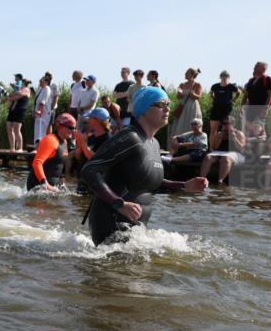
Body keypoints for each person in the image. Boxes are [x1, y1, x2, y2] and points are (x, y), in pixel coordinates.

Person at [80, 88, 207, 245]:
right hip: (111, 222)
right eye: (162, 104)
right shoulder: (129, 137)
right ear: (144, 109)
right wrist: (119, 203)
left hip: (135, 229)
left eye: (169, 104)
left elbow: (149, 182)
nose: (167, 109)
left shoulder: (155, 144)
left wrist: (184, 186)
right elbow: (89, 170)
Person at [27, 113, 77, 192]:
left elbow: (59, 164)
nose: (73, 131)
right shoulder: (50, 140)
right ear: (60, 126)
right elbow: (37, 163)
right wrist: (45, 184)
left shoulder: (64, 141)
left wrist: (62, 178)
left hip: (53, 187)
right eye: (71, 128)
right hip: (38, 187)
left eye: (75, 128)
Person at [198, 116, 247, 185]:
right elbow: (214, 148)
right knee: (208, 157)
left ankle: (220, 181)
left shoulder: (239, 133)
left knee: (225, 158)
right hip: (220, 152)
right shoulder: (219, 134)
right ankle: (201, 179)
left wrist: (234, 138)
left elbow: (242, 148)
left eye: (227, 123)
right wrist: (220, 138)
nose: (225, 125)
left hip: (236, 154)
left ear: (233, 124)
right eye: (223, 123)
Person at [169, 67, 203, 140]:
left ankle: (192, 141)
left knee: (192, 124)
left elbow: (198, 97)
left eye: (187, 73)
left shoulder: (197, 85)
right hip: (183, 106)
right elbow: (178, 96)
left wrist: (191, 94)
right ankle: (180, 142)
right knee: (180, 124)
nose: (185, 74)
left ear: (191, 75)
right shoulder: (182, 84)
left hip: (192, 107)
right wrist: (181, 93)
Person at [242, 61, 271, 127]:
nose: (254, 67)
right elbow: (246, 95)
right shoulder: (251, 80)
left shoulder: (267, 79)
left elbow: (270, 94)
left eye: (257, 66)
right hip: (250, 108)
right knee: (247, 127)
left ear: (263, 69)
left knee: (258, 127)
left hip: (261, 108)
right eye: (255, 65)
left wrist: (266, 108)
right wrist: (242, 106)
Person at [209, 70, 240, 138]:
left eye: (226, 76)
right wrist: (214, 98)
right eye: (222, 76)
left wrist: (234, 100)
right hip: (216, 108)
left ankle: (226, 143)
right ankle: (212, 144)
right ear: (220, 77)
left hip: (227, 109)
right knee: (213, 130)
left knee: (226, 129)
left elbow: (239, 92)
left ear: (228, 77)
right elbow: (211, 93)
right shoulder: (215, 86)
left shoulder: (231, 86)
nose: (224, 77)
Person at [5, 78, 30, 152]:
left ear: (24, 83)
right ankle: (12, 148)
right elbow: (12, 98)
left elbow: (18, 95)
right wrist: (11, 96)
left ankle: (20, 148)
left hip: (20, 111)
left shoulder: (26, 89)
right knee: (9, 128)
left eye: (21, 82)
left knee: (16, 129)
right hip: (12, 110)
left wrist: (10, 95)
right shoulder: (18, 90)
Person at [33, 75, 52, 144]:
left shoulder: (47, 88)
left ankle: (40, 147)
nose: (40, 82)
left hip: (43, 114)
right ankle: (37, 147)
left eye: (41, 81)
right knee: (37, 132)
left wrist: (39, 111)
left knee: (40, 133)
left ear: (46, 82)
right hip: (39, 114)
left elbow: (43, 102)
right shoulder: (41, 89)